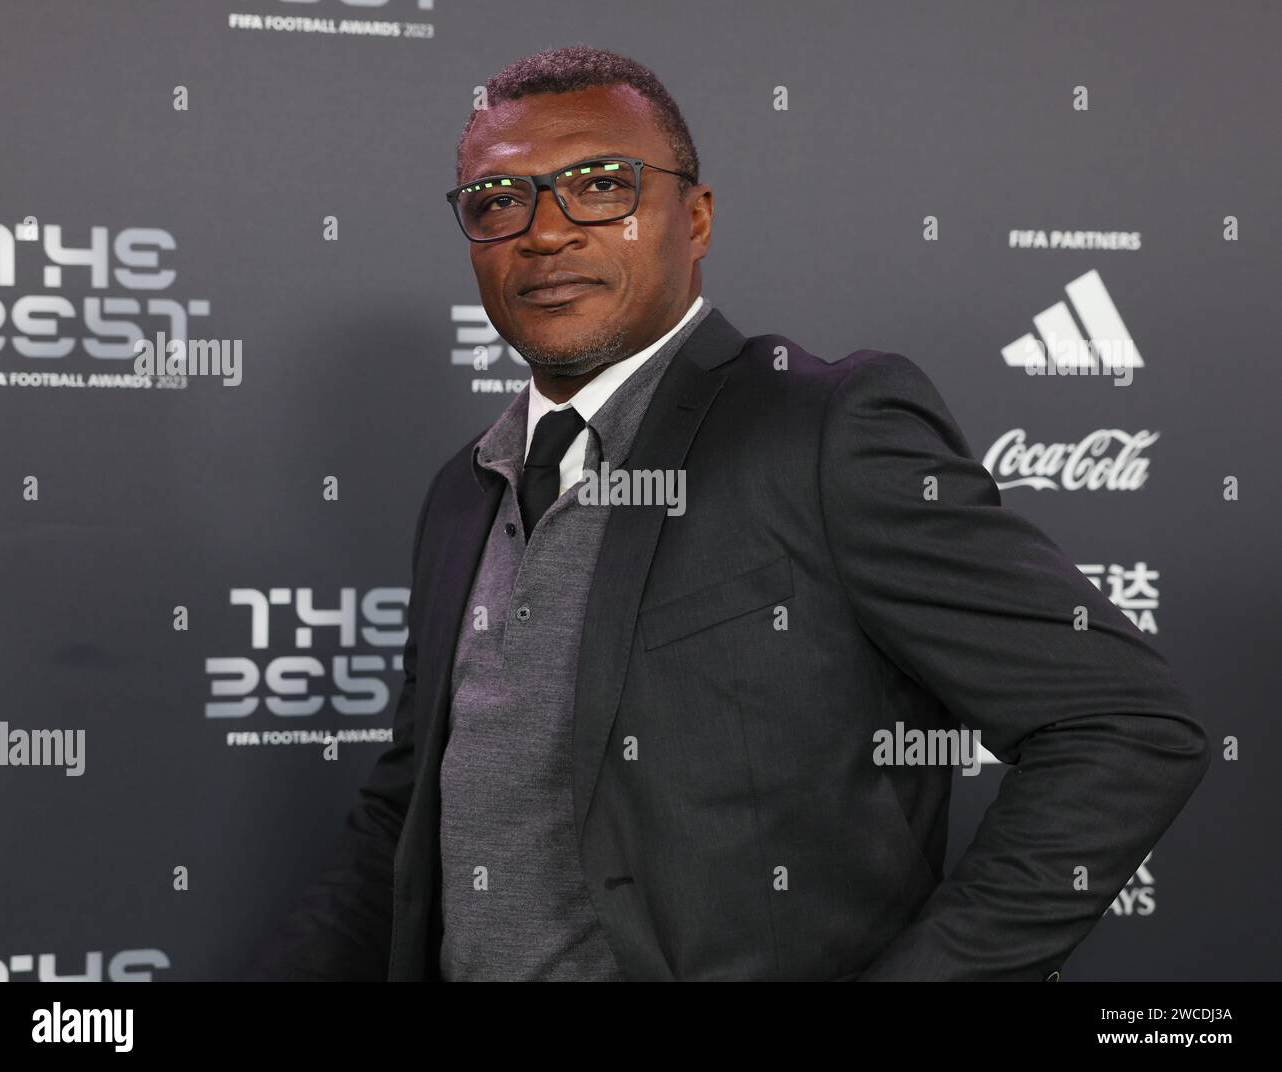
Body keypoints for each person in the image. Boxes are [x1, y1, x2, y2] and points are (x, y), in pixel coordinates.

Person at [245, 44, 1209, 982]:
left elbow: (1121, 726)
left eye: (602, 185)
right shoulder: (463, 488)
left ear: (695, 219)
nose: (545, 232)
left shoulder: (827, 428)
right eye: (500, 201)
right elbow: (406, 814)